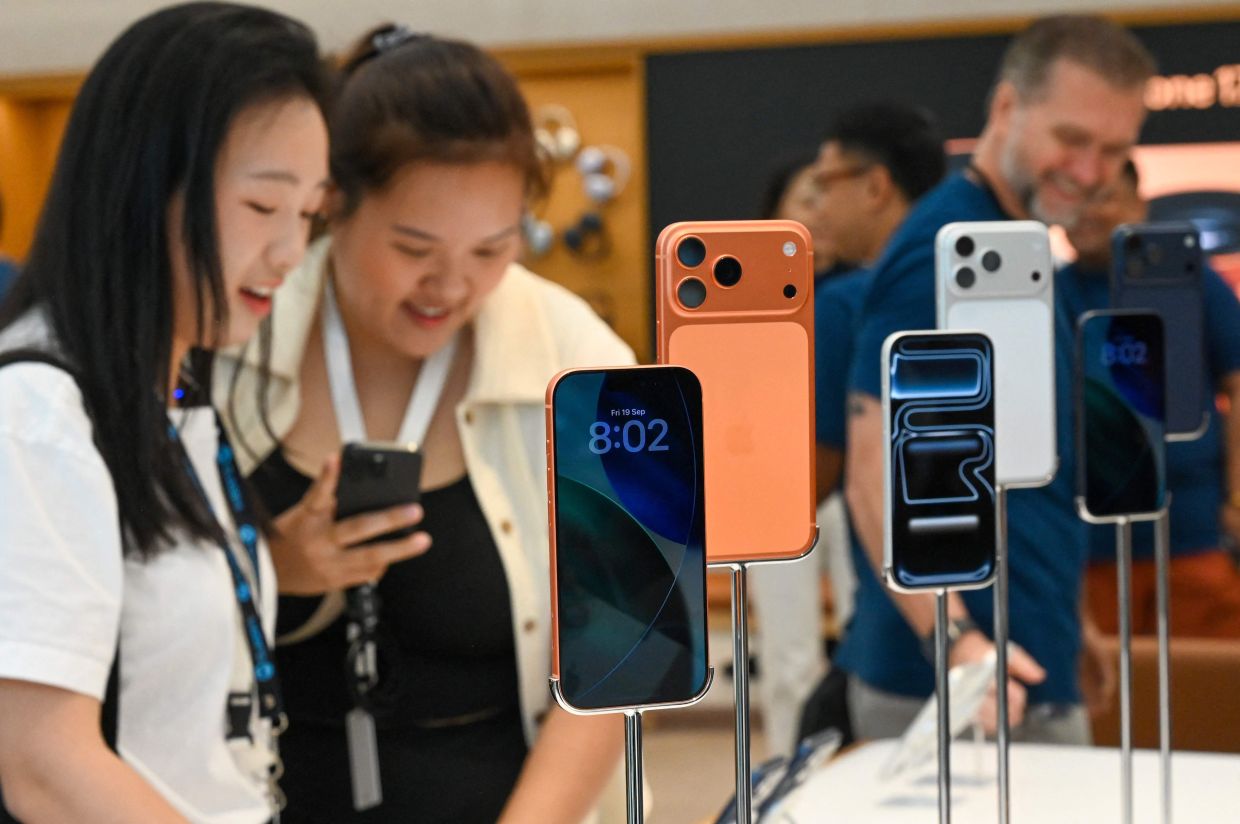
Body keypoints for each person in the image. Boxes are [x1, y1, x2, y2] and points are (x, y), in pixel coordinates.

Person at [215, 27, 628, 823]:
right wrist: (279, 572)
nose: (450, 284)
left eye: (492, 248)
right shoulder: (233, 339)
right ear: (331, 207)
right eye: (413, 247)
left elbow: (623, 654)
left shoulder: (582, 361)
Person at [0, 3, 335, 821]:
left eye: (310, 214)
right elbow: (43, 765)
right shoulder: (39, 411)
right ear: (141, 191)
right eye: (263, 208)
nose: (291, 253)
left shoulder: (170, 393)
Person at [841, 15, 1154, 742]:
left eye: (1113, 150)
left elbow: (1022, 474)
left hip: (1027, 657)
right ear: (1007, 109)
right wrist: (957, 648)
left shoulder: (1015, 247)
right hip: (959, 688)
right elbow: (871, 478)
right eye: (1072, 140)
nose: (1090, 171)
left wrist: (1072, 622)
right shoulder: (943, 253)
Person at [793, 103, 948, 745]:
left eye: (827, 184)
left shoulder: (847, 303)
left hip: (897, 639)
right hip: (1029, 621)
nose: (817, 206)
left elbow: (813, 482)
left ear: (876, 185)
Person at [1060, 160, 1240, 646]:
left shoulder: (1190, 280)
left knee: (1207, 698)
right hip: (1089, 548)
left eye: (1102, 197)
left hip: (1191, 534)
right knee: (1109, 703)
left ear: (1137, 202)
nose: (1086, 214)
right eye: (1074, 200)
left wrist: (1237, 497)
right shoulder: (1050, 292)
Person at [757, 152, 839, 278]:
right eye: (809, 203)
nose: (824, 214)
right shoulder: (755, 278)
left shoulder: (867, 287)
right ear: (775, 211)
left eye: (834, 205)